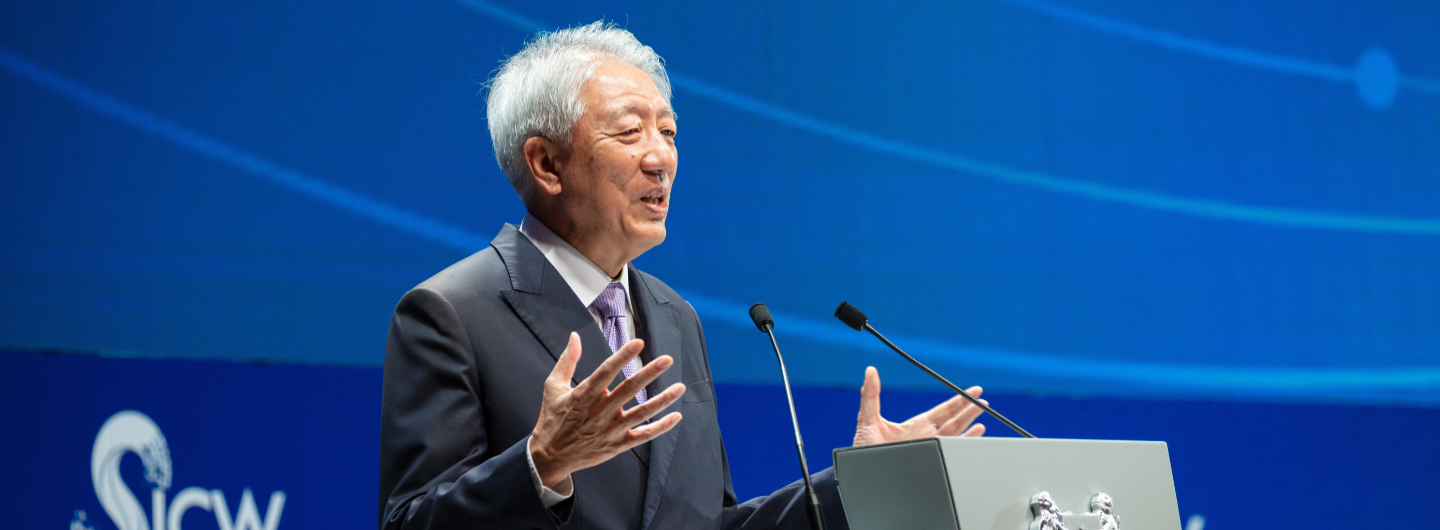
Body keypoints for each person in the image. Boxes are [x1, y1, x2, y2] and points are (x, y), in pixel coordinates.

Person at [378, 21, 989, 530]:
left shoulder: (674, 317)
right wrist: (541, 464)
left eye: (668, 131)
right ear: (546, 163)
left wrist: (854, 486)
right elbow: (409, 521)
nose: (660, 155)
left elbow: (707, 524)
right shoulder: (450, 312)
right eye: (629, 130)